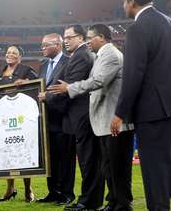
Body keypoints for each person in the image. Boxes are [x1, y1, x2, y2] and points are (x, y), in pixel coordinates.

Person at [48, 24, 134, 211]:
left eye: (90, 38)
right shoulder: (102, 55)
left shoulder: (110, 54)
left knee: (115, 166)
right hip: (104, 120)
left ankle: (121, 204)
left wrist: (68, 88)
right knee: (109, 165)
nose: (87, 41)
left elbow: (97, 81)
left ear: (102, 37)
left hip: (112, 119)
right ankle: (113, 202)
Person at [110, 0, 171, 210]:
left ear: (132, 1)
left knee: (155, 171)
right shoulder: (167, 21)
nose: (123, 5)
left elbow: (133, 74)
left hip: (152, 111)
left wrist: (119, 113)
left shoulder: (138, 28)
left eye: (124, 0)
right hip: (167, 107)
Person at [0, 45, 37, 203]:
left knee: (24, 150)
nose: (10, 55)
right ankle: (10, 188)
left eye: (14, 52)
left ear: (20, 56)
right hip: (4, 119)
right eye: (8, 52)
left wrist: (27, 81)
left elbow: (39, 83)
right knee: (6, 152)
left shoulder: (27, 69)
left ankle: (28, 188)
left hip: (22, 118)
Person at [37, 33, 75, 206]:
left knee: (65, 159)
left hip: (64, 118)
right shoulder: (43, 65)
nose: (42, 48)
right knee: (50, 159)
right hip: (47, 120)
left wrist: (47, 97)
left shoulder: (70, 62)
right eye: (42, 45)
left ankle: (67, 194)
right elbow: (39, 88)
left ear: (58, 45)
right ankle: (53, 192)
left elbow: (66, 89)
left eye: (46, 44)